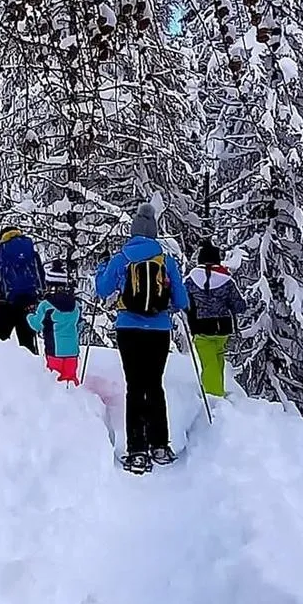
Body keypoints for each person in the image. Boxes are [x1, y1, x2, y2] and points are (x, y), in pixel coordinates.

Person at [96, 202, 189, 473]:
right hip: (159, 330)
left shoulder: (123, 257)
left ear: (133, 230)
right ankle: (160, 445)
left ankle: (137, 451)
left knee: (135, 386)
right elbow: (181, 300)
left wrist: (102, 271)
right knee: (154, 384)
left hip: (129, 328)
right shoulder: (165, 259)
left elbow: (103, 290)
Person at [185, 240, 248, 398]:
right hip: (223, 327)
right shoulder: (226, 280)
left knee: (208, 362)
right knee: (218, 357)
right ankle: (217, 389)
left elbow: (180, 301)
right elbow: (239, 306)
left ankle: (213, 395)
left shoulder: (191, 280)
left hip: (200, 327)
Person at [0, 224, 46, 351]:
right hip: (28, 303)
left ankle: (2, 367)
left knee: (1, 341)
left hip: (5, 303)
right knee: (27, 342)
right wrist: (40, 295)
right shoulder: (32, 253)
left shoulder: (1, 253)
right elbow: (40, 276)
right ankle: (30, 368)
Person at [28, 262, 82, 384]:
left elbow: (37, 325)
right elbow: (79, 323)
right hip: (72, 351)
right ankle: (75, 401)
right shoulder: (75, 305)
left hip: (55, 351)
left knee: (55, 384)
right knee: (71, 381)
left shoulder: (46, 306)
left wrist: (30, 315)